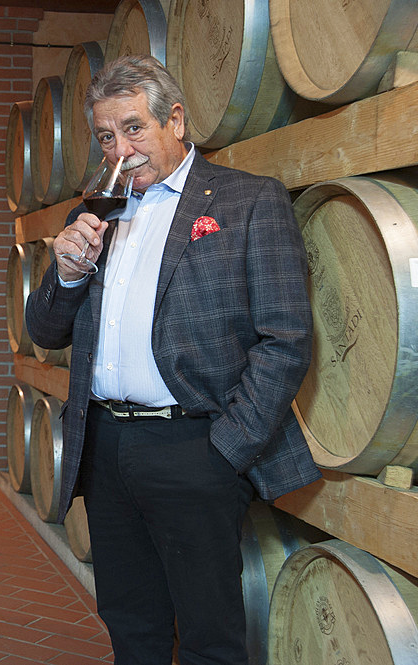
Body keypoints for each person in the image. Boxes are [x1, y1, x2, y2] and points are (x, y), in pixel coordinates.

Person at [24, 54, 321, 665]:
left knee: (210, 635)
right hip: (105, 446)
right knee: (131, 625)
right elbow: (45, 329)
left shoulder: (248, 201)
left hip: (194, 447)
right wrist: (69, 274)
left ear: (175, 121)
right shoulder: (94, 214)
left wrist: (225, 451)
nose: (120, 149)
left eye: (133, 128)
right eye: (106, 136)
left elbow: (285, 337)